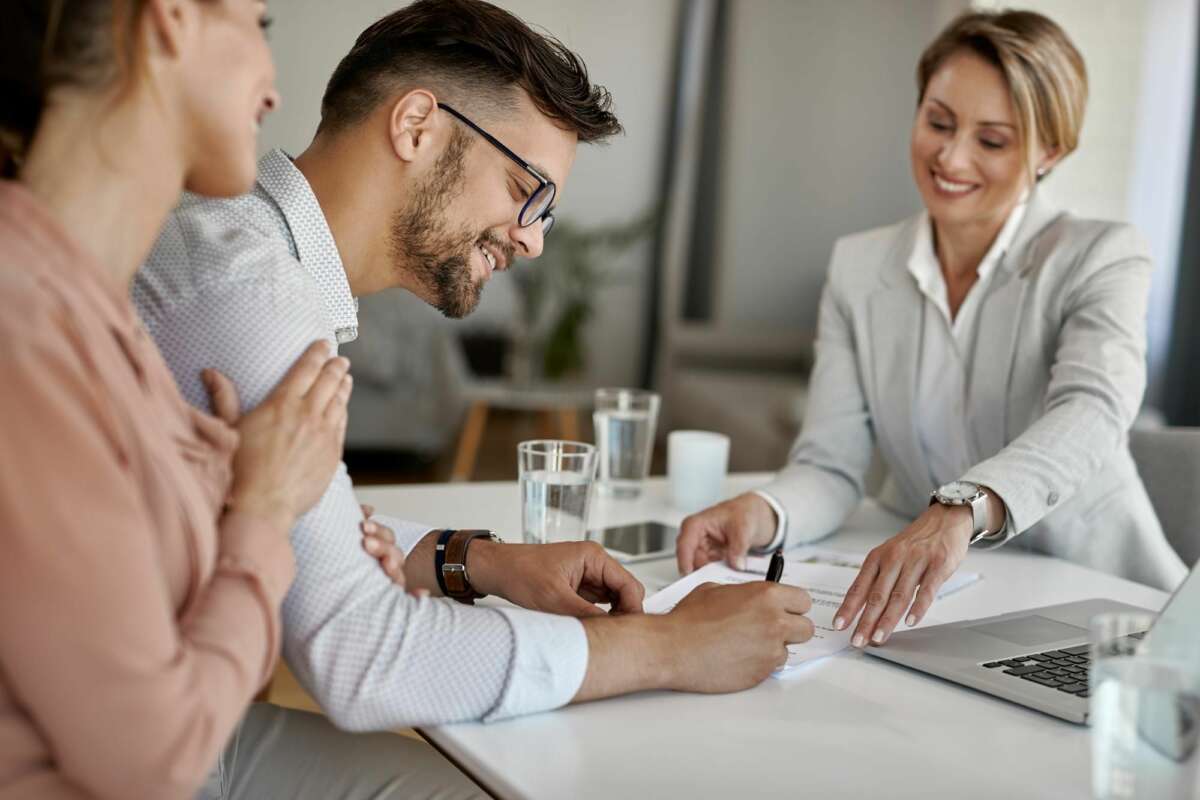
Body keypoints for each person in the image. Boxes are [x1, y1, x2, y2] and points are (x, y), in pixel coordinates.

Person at [134, 0, 814, 764]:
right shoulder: (256, 301)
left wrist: (475, 560)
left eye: (546, 214)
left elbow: (303, 536)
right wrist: (666, 646)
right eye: (527, 190)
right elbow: (358, 652)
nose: (530, 240)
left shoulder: (251, 259)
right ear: (416, 126)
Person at [676, 9, 1186, 651]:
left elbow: (1093, 409)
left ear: (1050, 150)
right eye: (938, 122)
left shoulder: (1101, 255)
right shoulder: (858, 268)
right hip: (941, 609)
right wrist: (762, 511)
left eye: (992, 141)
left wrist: (961, 506)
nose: (951, 156)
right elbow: (832, 466)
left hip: (1104, 609)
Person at [0, 1, 376, 797]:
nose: (274, 89)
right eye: (259, 27)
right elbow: (153, 761)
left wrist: (233, 486)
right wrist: (265, 515)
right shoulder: (26, 326)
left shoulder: (93, 306)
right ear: (169, 17)